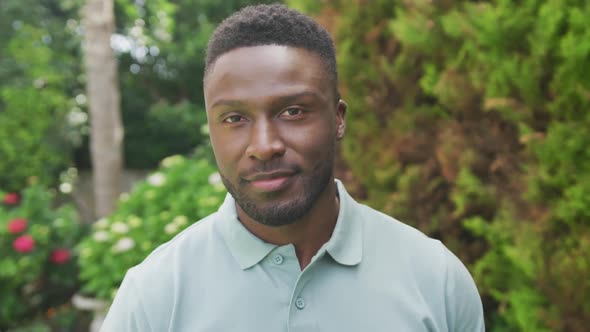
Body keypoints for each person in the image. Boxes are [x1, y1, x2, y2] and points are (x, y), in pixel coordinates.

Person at [100, 4, 485, 331]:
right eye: (234, 118)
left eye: (293, 111)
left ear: (338, 119)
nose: (264, 146)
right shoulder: (152, 298)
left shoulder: (437, 281)